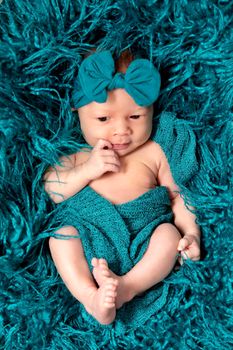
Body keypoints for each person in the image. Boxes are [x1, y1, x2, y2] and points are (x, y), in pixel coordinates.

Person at [43, 50, 201, 326]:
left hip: (143, 238)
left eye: (136, 117)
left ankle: (127, 287)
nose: (121, 130)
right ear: (76, 110)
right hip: (92, 236)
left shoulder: (154, 152)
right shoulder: (79, 156)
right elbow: (53, 191)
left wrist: (191, 233)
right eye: (104, 119)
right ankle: (90, 296)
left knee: (167, 235)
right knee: (60, 236)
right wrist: (87, 171)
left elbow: (178, 197)